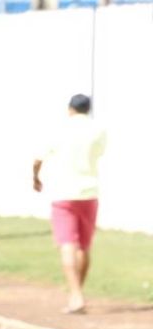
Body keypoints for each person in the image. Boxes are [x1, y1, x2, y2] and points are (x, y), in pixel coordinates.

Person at [32, 93, 107, 314]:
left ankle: (76, 296)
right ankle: (77, 294)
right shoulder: (98, 130)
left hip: (63, 193)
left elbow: (38, 158)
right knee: (84, 246)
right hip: (89, 192)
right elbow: (99, 153)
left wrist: (35, 177)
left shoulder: (59, 130)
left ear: (70, 109)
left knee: (67, 245)